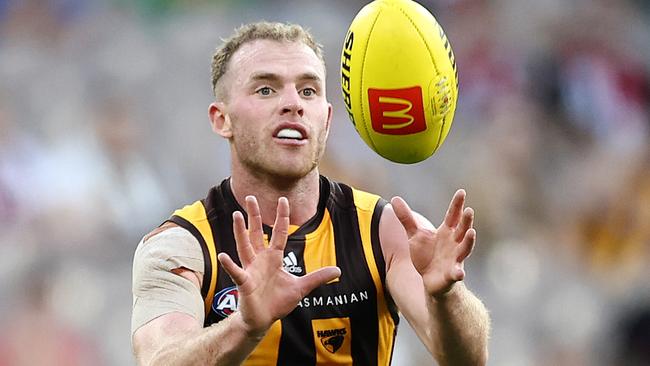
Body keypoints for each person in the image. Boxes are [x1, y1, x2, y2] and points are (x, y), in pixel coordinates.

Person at [131, 22, 490, 366]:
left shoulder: (385, 230)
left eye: (308, 90)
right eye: (266, 89)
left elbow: (466, 360)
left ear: (327, 119)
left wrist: (447, 296)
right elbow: (161, 360)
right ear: (221, 119)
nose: (293, 104)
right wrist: (245, 326)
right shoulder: (181, 246)